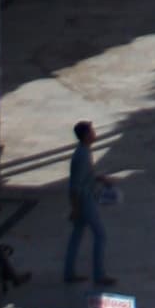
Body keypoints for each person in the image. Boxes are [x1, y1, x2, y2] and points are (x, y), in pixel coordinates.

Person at [62, 120, 118, 288]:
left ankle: (69, 272)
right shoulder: (82, 155)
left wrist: (100, 178)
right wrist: (76, 208)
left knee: (77, 235)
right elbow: (75, 186)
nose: (94, 133)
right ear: (86, 135)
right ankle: (99, 275)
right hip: (85, 201)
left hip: (85, 199)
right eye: (92, 131)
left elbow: (86, 176)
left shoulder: (84, 152)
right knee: (100, 235)